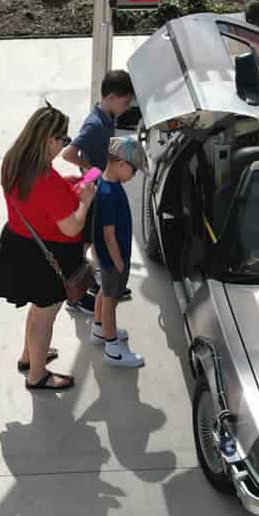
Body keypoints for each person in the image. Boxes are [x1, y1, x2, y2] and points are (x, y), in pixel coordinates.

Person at [0, 104, 95, 391]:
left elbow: (38, 201)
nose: (65, 144)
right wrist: (85, 200)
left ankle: (29, 357)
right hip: (48, 255)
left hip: (20, 245)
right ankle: (38, 375)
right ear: (50, 140)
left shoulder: (14, 162)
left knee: (37, 310)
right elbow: (72, 227)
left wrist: (69, 185)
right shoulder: (44, 180)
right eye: (64, 140)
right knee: (46, 315)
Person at [60, 68, 136, 318]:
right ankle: (77, 296)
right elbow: (69, 153)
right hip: (93, 191)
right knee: (86, 243)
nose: (126, 108)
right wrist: (92, 173)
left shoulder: (107, 117)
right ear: (112, 97)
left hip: (101, 187)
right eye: (125, 102)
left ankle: (106, 284)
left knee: (95, 240)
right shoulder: (94, 124)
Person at [89, 135, 144, 369]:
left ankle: (99, 329)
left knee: (104, 291)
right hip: (113, 259)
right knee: (111, 300)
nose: (134, 175)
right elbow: (109, 234)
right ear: (121, 164)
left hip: (107, 258)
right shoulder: (109, 194)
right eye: (134, 170)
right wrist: (119, 262)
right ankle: (113, 350)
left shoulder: (108, 184)